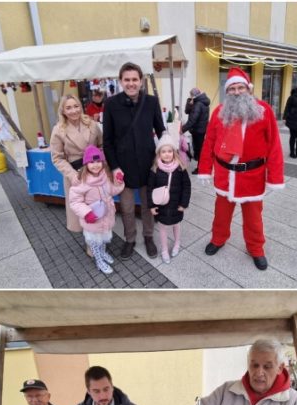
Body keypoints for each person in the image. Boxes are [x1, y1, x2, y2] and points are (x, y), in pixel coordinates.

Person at [198, 68, 286, 271]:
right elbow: (209, 142)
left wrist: (274, 177)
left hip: (252, 176)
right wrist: (204, 168)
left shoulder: (264, 110)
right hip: (224, 175)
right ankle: (218, 239)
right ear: (227, 92)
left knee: (254, 218)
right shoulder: (219, 112)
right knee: (221, 214)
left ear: (248, 89)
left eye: (241, 87)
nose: (237, 92)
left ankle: (256, 249)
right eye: (232, 89)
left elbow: (274, 145)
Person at [102, 62, 166, 260]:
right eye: (127, 80)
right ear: (121, 81)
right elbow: (108, 141)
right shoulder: (111, 104)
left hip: (148, 164)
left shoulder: (151, 102)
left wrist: (165, 156)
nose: (131, 83)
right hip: (124, 167)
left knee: (148, 205)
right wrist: (114, 167)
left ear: (141, 81)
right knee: (128, 208)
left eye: (134, 79)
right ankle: (130, 239)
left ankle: (148, 237)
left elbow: (161, 131)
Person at [51, 94, 104, 255]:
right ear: (63, 110)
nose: (73, 110)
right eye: (69, 107)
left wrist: (99, 165)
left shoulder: (92, 125)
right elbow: (57, 157)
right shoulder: (59, 130)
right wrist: (71, 174)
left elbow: (101, 146)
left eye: (76, 106)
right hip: (75, 175)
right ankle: (90, 242)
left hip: (94, 172)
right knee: (83, 209)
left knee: (98, 206)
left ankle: (100, 236)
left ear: (80, 107)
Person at [68, 145, 123, 275]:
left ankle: (103, 253)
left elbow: (112, 191)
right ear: (86, 164)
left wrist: (118, 182)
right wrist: (86, 213)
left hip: (106, 216)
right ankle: (99, 261)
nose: (95, 165)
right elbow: (75, 201)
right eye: (91, 162)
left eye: (98, 161)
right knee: (94, 241)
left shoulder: (105, 176)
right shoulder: (81, 181)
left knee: (103, 238)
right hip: (92, 219)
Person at [147, 135, 192, 264]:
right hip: (161, 206)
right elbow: (150, 188)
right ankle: (164, 250)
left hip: (176, 205)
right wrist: (151, 205)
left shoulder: (180, 168)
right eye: (163, 151)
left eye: (170, 151)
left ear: (174, 152)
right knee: (162, 228)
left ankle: (177, 243)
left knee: (176, 225)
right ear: (159, 154)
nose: (167, 154)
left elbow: (186, 186)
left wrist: (184, 204)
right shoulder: (155, 170)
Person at [184, 88, 210, 173]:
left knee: (199, 151)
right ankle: (200, 166)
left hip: (198, 131)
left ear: (194, 95)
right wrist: (190, 103)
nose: (190, 96)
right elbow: (187, 111)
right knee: (199, 150)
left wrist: (182, 130)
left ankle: (200, 169)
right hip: (201, 130)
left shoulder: (198, 104)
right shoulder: (202, 102)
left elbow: (192, 120)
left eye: (191, 95)